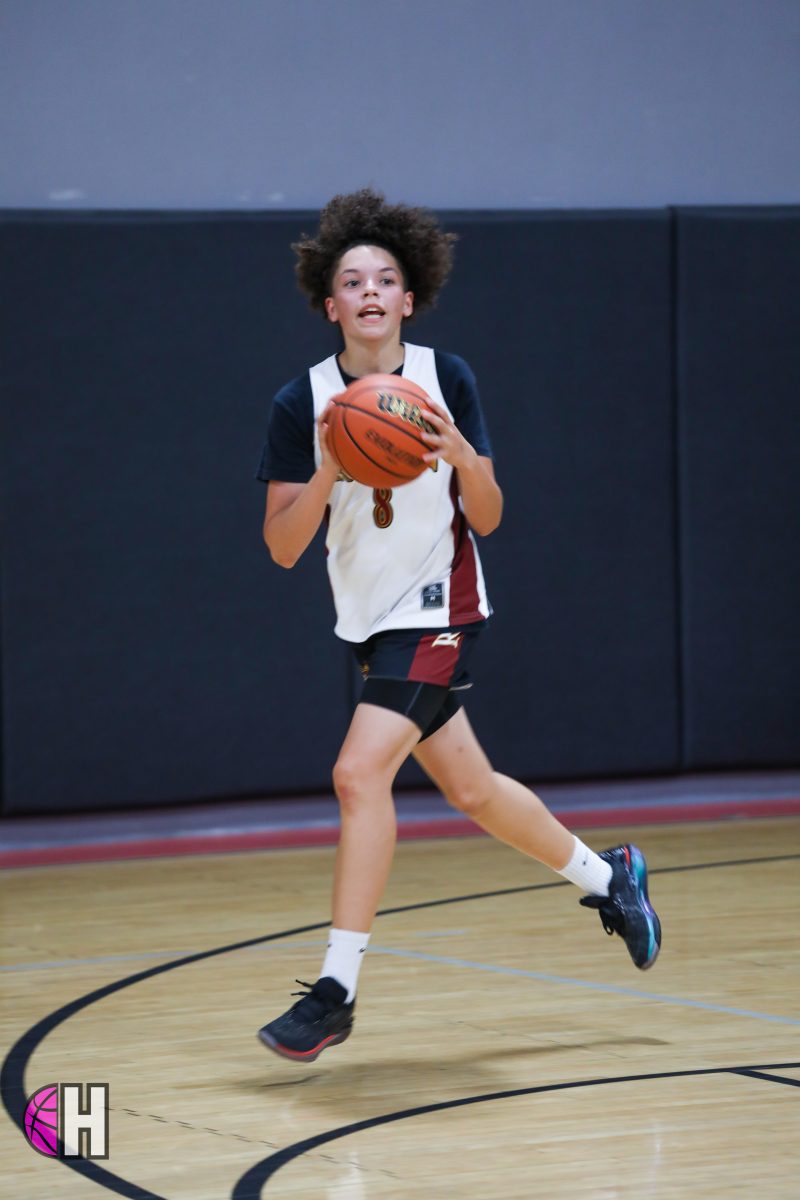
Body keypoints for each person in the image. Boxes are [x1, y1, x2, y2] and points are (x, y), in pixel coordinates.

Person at [255, 188, 661, 1063]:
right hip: (369, 620)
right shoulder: (303, 401)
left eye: (384, 279)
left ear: (408, 298)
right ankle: (612, 878)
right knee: (472, 791)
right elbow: (284, 547)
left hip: (442, 606)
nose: (369, 290)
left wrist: (464, 457)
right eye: (351, 281)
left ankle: (335, 991)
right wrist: (327, 468)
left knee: (358, 774)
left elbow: (491, 512)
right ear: (330, 306)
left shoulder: (448, 380)